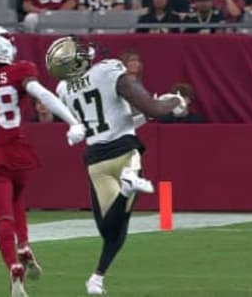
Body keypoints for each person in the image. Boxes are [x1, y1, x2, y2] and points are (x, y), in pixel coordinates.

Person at [46, 36, 186, 295]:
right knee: (118, 224)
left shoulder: (63, 90)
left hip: (96, 159)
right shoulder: (108, 70)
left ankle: (97, 278)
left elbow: (112, 119)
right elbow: (152, 108)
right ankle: (127, 188)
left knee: (109, 229)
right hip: (124, 153)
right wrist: (175, 101)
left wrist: (146, 113)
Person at [0, 26, 86, 297]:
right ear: (6, 50)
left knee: (2, 218)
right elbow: (44, 95)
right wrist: (73, 122)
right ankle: (23, 244)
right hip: (18, 152)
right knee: (17, 201)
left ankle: (14, 266)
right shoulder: (19, 71)